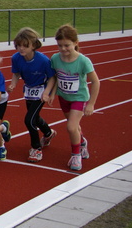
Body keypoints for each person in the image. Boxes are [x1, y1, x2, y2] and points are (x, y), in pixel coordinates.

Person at [43, 24, 100, 171]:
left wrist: (91, 104)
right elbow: (55, 77)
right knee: (74, 126)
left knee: (71, 127)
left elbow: (96, 82)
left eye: (67, 45)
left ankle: (76, 155)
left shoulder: (83, 61)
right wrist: (53, 93)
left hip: (79, 98)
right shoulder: (55, 58)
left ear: (76, 43)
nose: (63, 49)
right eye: (60, 45)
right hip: (64, 97)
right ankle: (82, 142)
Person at [7, 27, 57, 163]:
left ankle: (36, 148)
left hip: (41, 90)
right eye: (19, 46)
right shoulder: (16, 58)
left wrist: (47, 93)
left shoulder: (43, 60)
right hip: (29, 90)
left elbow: (52, 77)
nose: (21, 49)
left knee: (29, 120)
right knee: (35, 118)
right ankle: (48, 133)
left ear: (33, 45)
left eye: (25, 46)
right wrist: (13, 84)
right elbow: (16, 73)